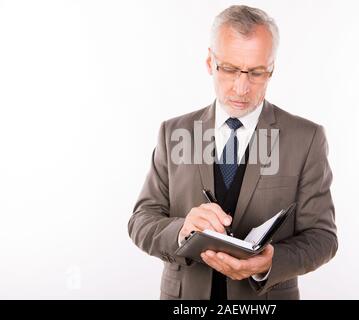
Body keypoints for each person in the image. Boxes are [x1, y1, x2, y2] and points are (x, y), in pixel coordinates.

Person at [128, 5, 337, 300]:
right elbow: (141, 220)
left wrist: (269, 264)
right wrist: (182, 230)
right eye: (228, 69)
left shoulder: (306, 138)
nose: (241, 88)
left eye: (256, 72)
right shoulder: (173, 132)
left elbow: (323, 238)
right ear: (209, 62)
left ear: (272, 69)